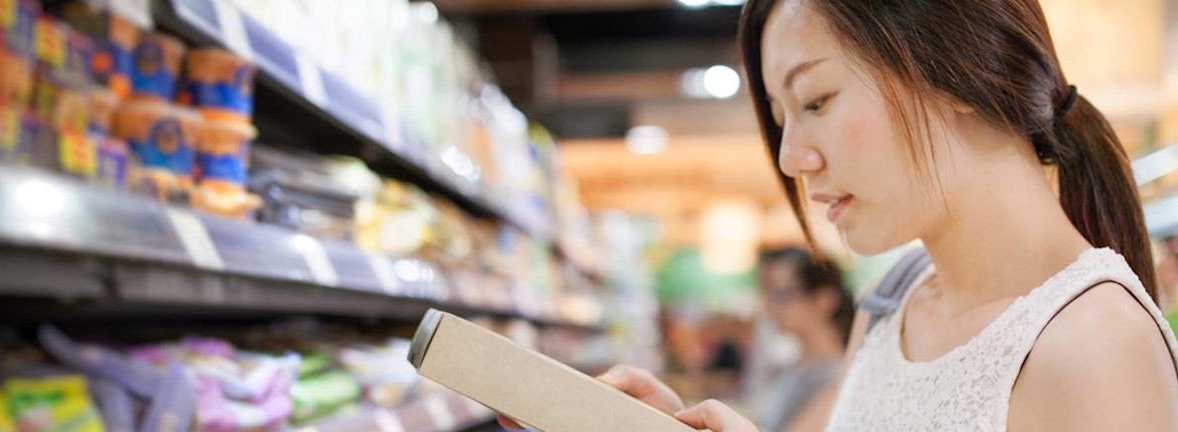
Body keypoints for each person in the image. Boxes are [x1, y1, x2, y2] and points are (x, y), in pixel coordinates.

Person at [501, 0, 1178, 430]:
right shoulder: (896, 298)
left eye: (817, 100)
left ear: (959, 73)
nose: (793, 157)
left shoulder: (1095, 345)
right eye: (781, 118)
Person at [753, 248, 852, 432]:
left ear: (824, 300)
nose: (772, 305)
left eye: (783, 295)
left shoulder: (839, 376)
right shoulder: (794, 368)